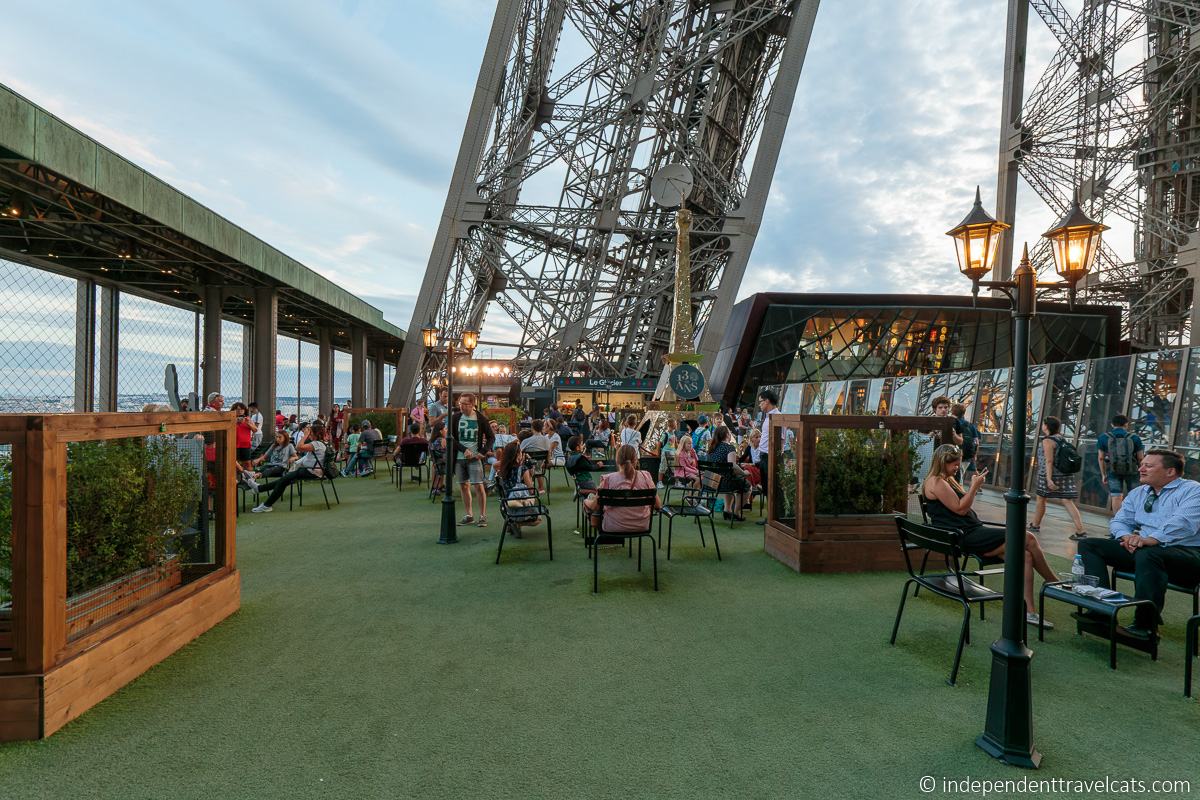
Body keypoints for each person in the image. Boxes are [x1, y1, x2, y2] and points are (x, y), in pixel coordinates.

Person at [922, 444, 1058, 628]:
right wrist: (974, 488)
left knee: (1024, 556)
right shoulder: (936, 482)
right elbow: (961, 509)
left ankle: (1029, 611)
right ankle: (1055, 584)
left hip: (970, 533)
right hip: (966, 537)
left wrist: (970, 487)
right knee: (1028, 538)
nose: (956, 468)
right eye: (954, 464)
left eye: (958, 463)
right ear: (941, 463)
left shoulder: (945, 479)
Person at [1078, 448, 1200, 639]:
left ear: (1170, 472)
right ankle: (1100, 611)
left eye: (1149, 466)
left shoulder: (1193, 490)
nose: (1141, 468)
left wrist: (1149, 539)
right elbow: (1119, 521)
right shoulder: (1139, 492)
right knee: (1089, 545)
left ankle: (1146, 626)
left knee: (1150, 553)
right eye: (1142, 464)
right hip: (1145, 550)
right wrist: (1127, 537)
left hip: (1187, 555)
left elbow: (1183, 523)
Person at [1029, 416, 1087, 540]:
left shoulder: (1047, 441)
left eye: (1044, 424)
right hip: (1065, 474)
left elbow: (1049, 461)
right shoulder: (1061, 438)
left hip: (1049, 474)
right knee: (1067, 501)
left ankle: (1035, 525)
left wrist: (1049, 479)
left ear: (1046, 426)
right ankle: (1080, 531)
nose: (1042, 426)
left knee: (1041, 499)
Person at [251, 420, 328, 513]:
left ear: (314, 433)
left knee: (284, 480)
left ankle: (266, 502)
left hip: (312, 471)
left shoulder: (316, 444)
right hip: (312, 470)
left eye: (310, 433)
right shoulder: (320, 443)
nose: (309, 434)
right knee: (284, 481)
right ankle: (261, 492)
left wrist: (305, 436)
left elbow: (298, 447)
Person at [584, 444, 661, 534]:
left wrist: (586, 502)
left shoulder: (608, 479)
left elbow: (594, 506)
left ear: (617, 460)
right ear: (636, 460)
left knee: (589, 501)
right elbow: (658, 505)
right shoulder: (646, 476)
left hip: (612, 527)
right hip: (641, 526)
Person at [451, 392, 494, 527]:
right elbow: (451, 438)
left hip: (475, 458)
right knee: (464, 485)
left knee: (478, 485)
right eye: (460, 403)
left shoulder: (480, 418)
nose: (462, 406)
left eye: (465, 404)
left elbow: (491, 437)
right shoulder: (455, 418)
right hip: (459, 458)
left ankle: (482, 515)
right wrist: (464, 450)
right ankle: (469, 515)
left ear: (473, 404)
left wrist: (483, 451)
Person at [1098, 413, 1145, 514]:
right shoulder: (1134, 438)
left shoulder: (1103, 437)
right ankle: (1134, 520)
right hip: (1132, 470)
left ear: (1112, 424)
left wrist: (1103, 474)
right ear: (1126, 424)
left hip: (1113, 470)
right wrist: (1143, 472)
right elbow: (1141, 458)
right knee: (1135, 495)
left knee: (1116, 496)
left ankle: (1118, 521)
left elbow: (1101, 458)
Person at [496, 441, 540, 533]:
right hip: (519, 505)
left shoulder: (502, 468)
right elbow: (531, 490)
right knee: (538, 519)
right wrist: (529, 471)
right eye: (520, 452)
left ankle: (512, 522)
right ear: (517, 455)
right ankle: (517, 523)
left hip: (506, 504)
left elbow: (495, 465)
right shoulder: (522, 469)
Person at [708, 426, 750, 521]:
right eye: (729, 432)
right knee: (747, 486)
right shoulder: (729, 448)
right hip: (723, 483)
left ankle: (727, 510)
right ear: (727, 435)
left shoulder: (712, 448)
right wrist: (744, 473)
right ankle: (736, 512)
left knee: (730, 479)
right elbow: (733, 466)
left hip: (710, 482)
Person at [752, 389, 780, 525]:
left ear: (767, 401)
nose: (760, 405)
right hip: (764, 456)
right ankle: (771, 517)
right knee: (766, 487)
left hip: (770, 456)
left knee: (771, 487)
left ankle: (773, 518)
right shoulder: (769, 416)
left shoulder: (777, 416)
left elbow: (780, 438)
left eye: (761, 402)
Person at [950, 402, 978, 479]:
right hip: (967, 456)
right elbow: (976, 442)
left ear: (952, 411)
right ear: (964, 413)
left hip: (953, 454)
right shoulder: (970, 425)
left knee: (955, 477)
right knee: (960, 475)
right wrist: (974, 455)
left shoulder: (951, 423)